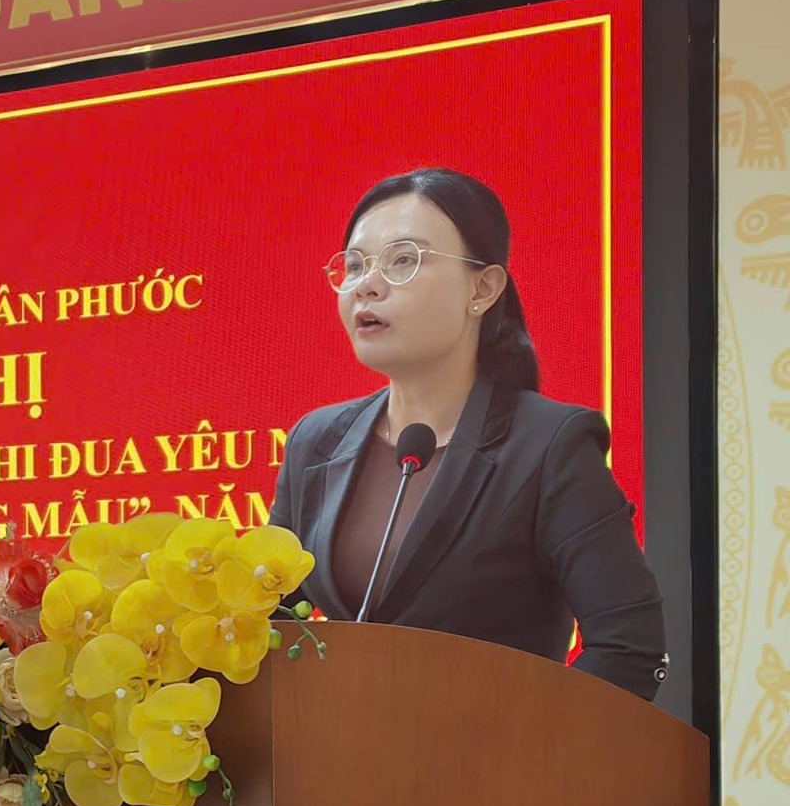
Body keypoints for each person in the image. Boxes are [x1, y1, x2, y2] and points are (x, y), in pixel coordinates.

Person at [269, 167, 667, 700]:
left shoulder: (549, 445)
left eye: (403, 260)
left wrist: (527, 745)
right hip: (339, 751)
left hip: (496, 751)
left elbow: (630, 647)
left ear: (483, 288)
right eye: (356, 265)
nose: (366, 285)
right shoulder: (315, 442)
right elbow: (266, 620)